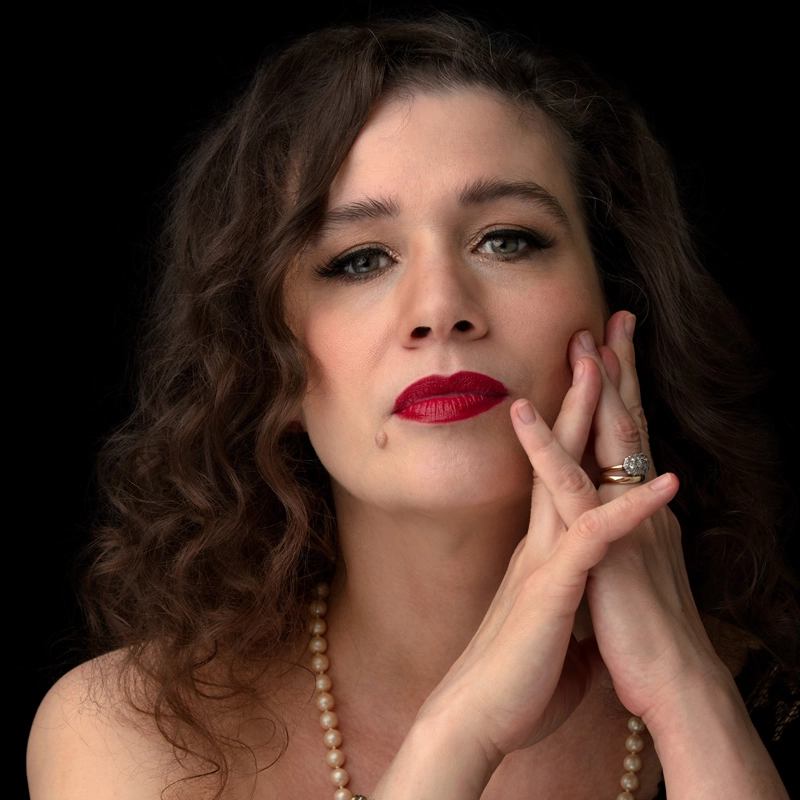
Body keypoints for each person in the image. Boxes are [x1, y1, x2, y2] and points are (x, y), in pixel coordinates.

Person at [27, 14, 797, 799]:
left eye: (507, 240)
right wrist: (462, 730)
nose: (439, 307)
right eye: (359, 260)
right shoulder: (129, 734)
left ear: (615, 304)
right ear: (270, 364)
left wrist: (685, 689)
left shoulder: (772, 696)